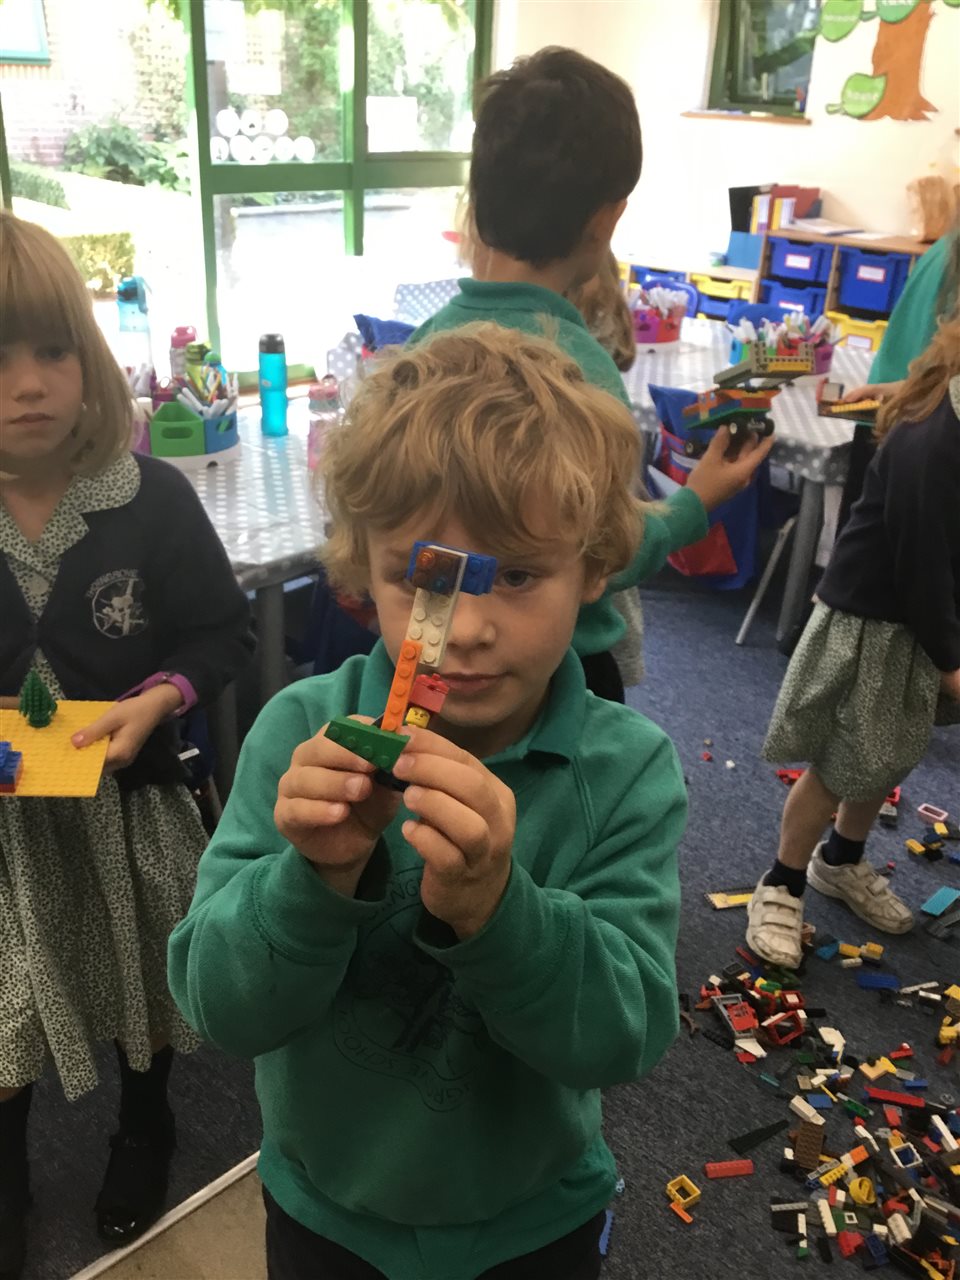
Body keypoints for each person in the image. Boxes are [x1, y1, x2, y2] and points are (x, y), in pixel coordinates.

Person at [168, 323, 688, 1280]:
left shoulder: (627, 771)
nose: (467, 631)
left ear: (593, 570)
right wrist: (312, 879)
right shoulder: (298, 736)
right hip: (325, 1212)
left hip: (533, 1220)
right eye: (425, 578)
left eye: (518, 575)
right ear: (362, 573)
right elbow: (218, 1008)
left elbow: (626, 1037)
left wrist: (500, 909)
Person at [0, 211, 253, 1276]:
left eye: (53, 350)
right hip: (8, 837)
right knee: (8, 1006)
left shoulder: (151, 498)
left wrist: (160, 699)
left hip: (130, 808)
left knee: (141, 983)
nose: (28, 384)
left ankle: (144, 1125)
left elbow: (221, 632)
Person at [413, 47, 773, 700]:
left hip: (434, 668)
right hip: (554, 680)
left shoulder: (420, 347)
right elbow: (608, 552)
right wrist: (697, 502)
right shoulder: (578, 370)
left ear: (480, 197)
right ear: (607, 220)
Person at [746, 315, 960, 970]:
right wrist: (951, 663)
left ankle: (841, 860)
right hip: (875, 621)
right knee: (841, 763)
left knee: (888, 751)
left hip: (924, 618)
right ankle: (782, 881)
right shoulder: (932, 444)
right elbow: (921, 567)